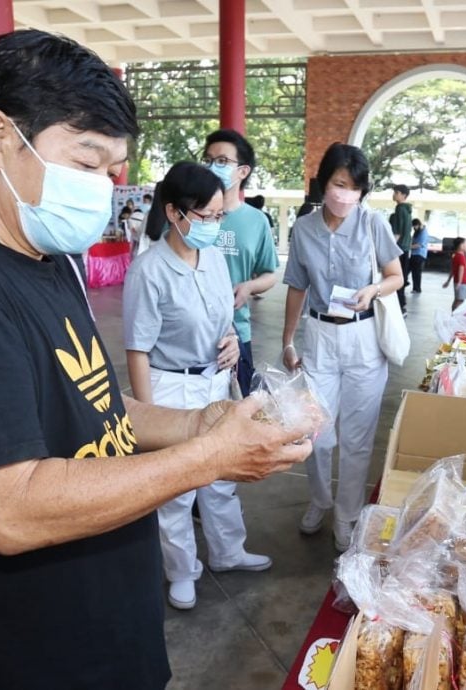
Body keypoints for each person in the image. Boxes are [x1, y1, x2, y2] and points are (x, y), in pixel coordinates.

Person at [0, 30, 315, 688]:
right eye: (88, 162)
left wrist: (201, 423)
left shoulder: (44, 259)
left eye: (113, 170)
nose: (102, 187)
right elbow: (11, 507)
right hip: (26, 657)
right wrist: (209, 459)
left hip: (107, 630)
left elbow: (91, 402)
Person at [124, 162, 273, 613]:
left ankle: (228, 552)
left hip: (213, 379)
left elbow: (223, 314)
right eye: (204, 216)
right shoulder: (148, 271)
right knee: (176, 488)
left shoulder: (212, 258)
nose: (213, 225)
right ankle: (182, 572)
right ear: (174, 212)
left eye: (218, 216)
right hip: (170, 386)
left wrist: (229, 340)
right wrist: (150, 420)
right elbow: (137, 350)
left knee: (222, 478)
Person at [282, 142, 404, 552]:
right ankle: (320, 499)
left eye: (353, 187)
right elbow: (297, 287)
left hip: (363, 337)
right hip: (320, 336)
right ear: (324, 183)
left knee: (357, 436)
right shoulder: (303, 228)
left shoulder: (373, 224)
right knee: (317, 429)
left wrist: (375, 288)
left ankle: (347, 516)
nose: (344, 194)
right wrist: (287, 339)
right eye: (338, 184)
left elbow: (396, 276)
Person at [203, 129, 279, 396]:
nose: (213, 167)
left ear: (243, 172)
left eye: (222, 161)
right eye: (208, 159)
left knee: (237, 409)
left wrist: (248, 287)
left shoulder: (256, 221)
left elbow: (270, 274)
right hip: (192, 330)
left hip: (238, 331)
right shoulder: (190, 214)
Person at [390, 183, 412, 313]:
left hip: (398, 248)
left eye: (396, 192)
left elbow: (397, 233)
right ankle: (402, 304)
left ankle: (399, 305)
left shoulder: (400, 209)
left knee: (394, 277)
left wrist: (389, 249)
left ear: (403, 195)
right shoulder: (408, 210)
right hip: (406, 248)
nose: (394, 194)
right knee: (402, 276)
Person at [443, 237, 466, 310]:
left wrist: (448, 281)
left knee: (457, 299)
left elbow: (453, 270)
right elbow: (461, 269)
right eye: (465, 244)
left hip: (458, 281)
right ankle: (454, 314)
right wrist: (460, 282)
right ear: (461, 245)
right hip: (462, 282)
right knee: (460, 300)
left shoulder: (456, 255)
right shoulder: (460, 257)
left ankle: (453, 314)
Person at [410, 217, 428, 293]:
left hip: (419, 255)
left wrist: (408, 247)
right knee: (414, 272)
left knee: (417, 272)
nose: (414, 228)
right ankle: (415, 288)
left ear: (418, 224)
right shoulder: (417, 232)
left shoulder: (423, 232)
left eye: (415, 226)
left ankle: (417, 288)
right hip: (414, 254)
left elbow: (419, 245)